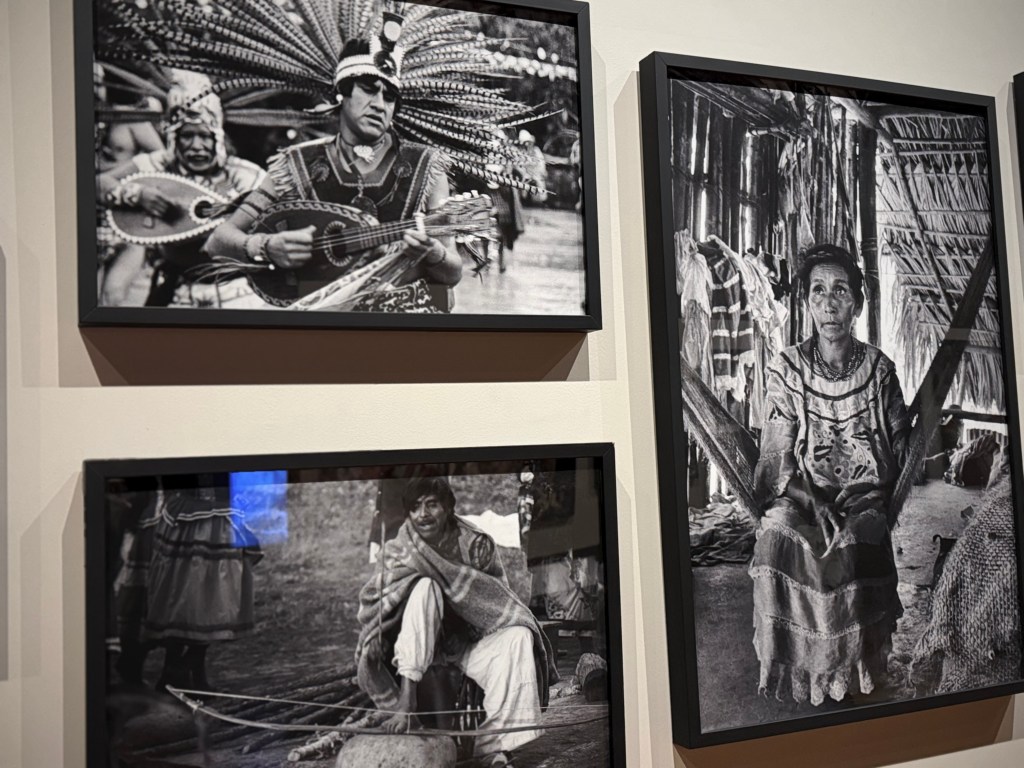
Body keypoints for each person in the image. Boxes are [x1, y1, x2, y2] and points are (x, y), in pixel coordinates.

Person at [750, 243, 910, 705]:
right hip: (803, 493)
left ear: (856, 303)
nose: (828, 302)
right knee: (776, 538)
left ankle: (850, 666)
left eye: (840, 290)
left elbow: (901, 444)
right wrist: (812, 501)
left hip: (863, 496)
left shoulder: (880, 371)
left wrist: (906, 449)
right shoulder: (787, 367)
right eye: (817, 291)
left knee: (852, 546)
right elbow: (777, 456)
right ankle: (808, 670)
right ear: (805, 303)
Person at [205, 30, 463, 312]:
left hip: (401, 332)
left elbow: (452, 274)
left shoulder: (427, 167)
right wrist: (265, 245)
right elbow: (218, 241)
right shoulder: (296, 165)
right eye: (368, 88)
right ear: (342, 92)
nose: (379, 104)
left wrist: (434, 253)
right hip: (320, 329)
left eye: (389, 97)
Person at [355, 476, 556, 767]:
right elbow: (378, 604)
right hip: (414, 648)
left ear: (448, 507)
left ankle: (493, 744)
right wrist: (375, 636)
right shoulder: (399, 550)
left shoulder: (475, 544)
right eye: (415, 507)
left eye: (431, 505)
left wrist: (466, 631)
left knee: (518, 636)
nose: (423, 514)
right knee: (425, 587)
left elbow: (495, 602)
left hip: (466, 644)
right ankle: (407, 702)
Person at [97, 72, 266, 306]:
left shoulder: (245, 175)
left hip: (239, 294)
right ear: (174, 135)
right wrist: (138, 195)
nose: (196, 146)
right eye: (187, 135)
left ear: (217, 136)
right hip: (178, 293)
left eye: (204, 136)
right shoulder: (160, 165)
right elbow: (100, 184)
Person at [515, 129, 549, 207]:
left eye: (529, 142)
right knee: (524, 180)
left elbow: (541, 161)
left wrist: (542, 171)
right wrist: (523, 171)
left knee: (540, 181)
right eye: (525, 142)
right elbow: (518, 164)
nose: (527, 144)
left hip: (536, 171)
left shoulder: (536, 150)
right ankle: (523, 200)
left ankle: (544, 201)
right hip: (525, 172)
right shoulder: (520, 151)